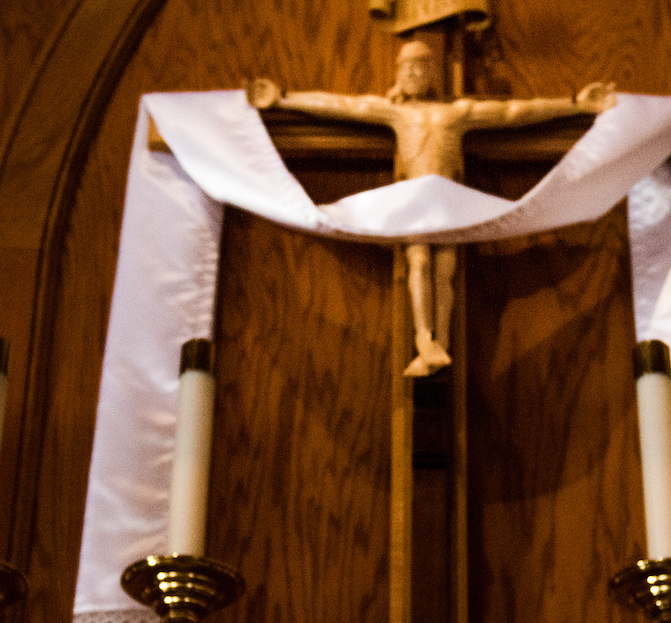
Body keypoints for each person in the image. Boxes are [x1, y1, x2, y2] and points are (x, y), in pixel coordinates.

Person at [249, 40, 614, 375]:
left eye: (419, 68)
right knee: (419, 260)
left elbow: (513, 112)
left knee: (445, 268)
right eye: (405, 68)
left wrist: (575, 104)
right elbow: (343, 106)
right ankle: (425, 337)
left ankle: (439, 343)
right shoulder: (395, 113)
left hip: (448, 198)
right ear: (397, 74)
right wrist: (284, 99)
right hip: (413, 199)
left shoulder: (457, 113)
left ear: (431, 74)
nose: (411, 74)